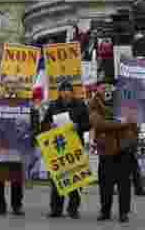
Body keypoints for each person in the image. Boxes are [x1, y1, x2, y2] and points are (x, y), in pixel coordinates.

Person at [41, 80, 92, 219]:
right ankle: (56, 209)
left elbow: (88, 124)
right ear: (59, 92)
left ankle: (73, 209)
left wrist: (78, 126)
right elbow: (44, 123)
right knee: (57, 179)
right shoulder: (53, 105)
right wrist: (49, 126)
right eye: (62, 90)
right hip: (58, 147)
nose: (65, 93)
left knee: (75, 179)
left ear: (72, 92)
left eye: (67, 90)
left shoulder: (80, 105)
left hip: (75, 145)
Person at [89, 86, 138, 223]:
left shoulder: (125, 100)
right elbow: (98, 124)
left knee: (124, 183)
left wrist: (132, 138)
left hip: (124, 148)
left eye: (109, 85)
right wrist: (120, 123)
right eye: (102, 86)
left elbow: (132, 122)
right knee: (105, 184)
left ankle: (124, 212)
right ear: (98, 89)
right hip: (106, 149)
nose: (106, 89)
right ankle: (105, 211)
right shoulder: (94, 103)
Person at [0, 99, 39, 217]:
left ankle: (16, 206)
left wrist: (28, 138)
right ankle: (0, 206)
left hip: (18, 145)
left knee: (16, 177)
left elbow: (35, 127)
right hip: (1, 144)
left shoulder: (28, 106)